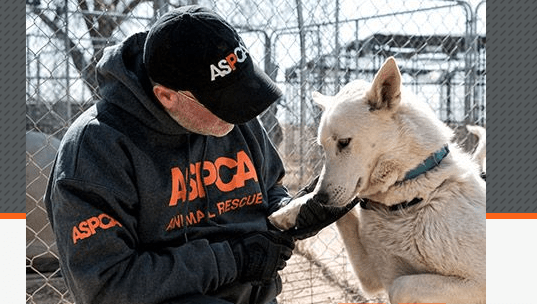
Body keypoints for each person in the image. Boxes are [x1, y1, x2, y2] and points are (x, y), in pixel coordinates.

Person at [44, 5, 357, 304]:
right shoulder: (96, 148)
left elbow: (269, 189)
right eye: (223, 104)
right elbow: (106, 286)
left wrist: (294, 213)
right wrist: (233, 260)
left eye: (241, 96)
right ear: (166, 96)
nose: (238, 116)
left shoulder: (233, 120)